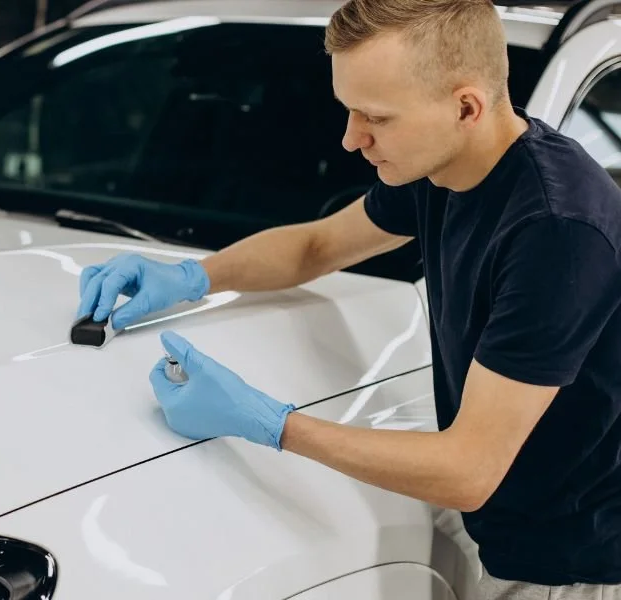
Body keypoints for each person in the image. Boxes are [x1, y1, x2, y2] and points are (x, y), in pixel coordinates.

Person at [76, 0, 621, 598]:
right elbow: (317, 245)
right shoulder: (443, 166)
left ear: (467, 106)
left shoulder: (558, 232)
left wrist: (270, 423)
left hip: (570, 563)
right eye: (349, 110)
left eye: (376, 118)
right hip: (499, 524)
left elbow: (468, 471)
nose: (350, 138)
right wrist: (189, 275)